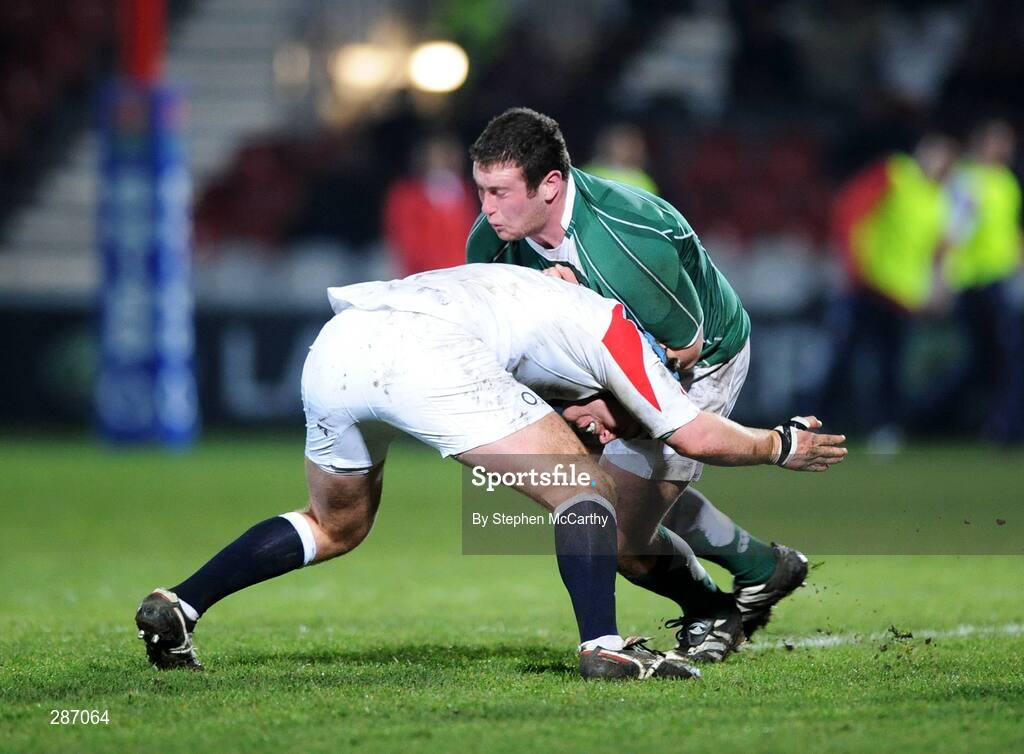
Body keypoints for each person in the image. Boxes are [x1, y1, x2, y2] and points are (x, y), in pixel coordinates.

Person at [135, 264, 846, 679]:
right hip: (423, 353)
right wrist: (777, 444)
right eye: (608, 415)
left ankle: (181, 606)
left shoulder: (516, 287)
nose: (602, 425)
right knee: (586, 490)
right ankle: (604, 646)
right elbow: (689, 430)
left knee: (334, 523)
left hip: (340, 341)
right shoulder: (616, 331)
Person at [466, 107, 812, 655]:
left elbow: (683, 346)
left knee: (621, 533)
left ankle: (713, 609)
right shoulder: (491, 245)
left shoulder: (626, 240)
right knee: (612, 495)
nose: (486, 209)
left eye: (501, 192)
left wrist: (608, 405)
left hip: (702, 359)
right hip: (601, 366)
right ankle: (763, 567)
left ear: (550, 185)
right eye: (481, 189)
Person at [823, 133, 958, 447]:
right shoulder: (896, 172)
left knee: (890, 366)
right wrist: (852, 261)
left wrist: (940, 286)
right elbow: (852, 207)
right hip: (867, 285)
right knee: (844, 357)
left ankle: (885, 428)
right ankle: (816, 422)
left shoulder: (939, 199)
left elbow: (939, 249)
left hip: (902, 296)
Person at [915, 119, 1023, 442]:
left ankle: (999, 426)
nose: (1004, 148)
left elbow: (1009, 231)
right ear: (981, 143)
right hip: (976, 284)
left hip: (1000, 280)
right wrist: (939, 278)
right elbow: (952, 231)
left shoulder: (1006, 182)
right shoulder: (968, 181)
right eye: (998, 141)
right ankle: (926, 415)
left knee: (991, 360)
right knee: (999, 358)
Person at [383, 134, 479, 276]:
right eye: (437, 156)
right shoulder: (406, 195)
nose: (443, 162)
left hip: (465, 275)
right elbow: (407, 244)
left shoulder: (471, 192)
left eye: (447, 155)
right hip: (423, 277)